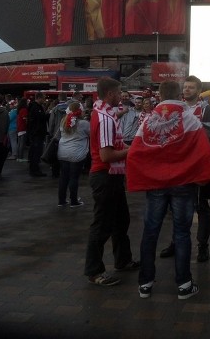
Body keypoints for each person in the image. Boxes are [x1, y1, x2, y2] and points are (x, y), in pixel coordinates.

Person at [127, 80, 210, 299]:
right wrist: (202, 176)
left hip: (157, 184)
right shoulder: (189, 117)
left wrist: (145, 174)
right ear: (178, 94)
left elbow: (135, 151)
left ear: (159, 94)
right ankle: (184, 284)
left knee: (150, 232)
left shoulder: (149, 119)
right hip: (183, 184)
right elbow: (204, 149)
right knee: (182, 233)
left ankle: (145, 284)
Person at [84, 76, 140, 286]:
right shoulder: (106, 118)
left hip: (111, 177)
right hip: (105, 176)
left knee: (121, 220)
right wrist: (133, 150)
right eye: (118, 93)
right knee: (102, 225)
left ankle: (123, 260)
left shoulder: (104, 113)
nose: (121, 97)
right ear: (109, 94)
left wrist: (128, 147)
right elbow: (107, 155)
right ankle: (94, 271)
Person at [159, 75, 210, 262]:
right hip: (178, 165)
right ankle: (176, 243)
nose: (187, 90)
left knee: (201, 208)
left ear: (199, 90)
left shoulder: (206, 109)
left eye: (191, 87)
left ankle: (203, 246)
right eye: (185, 87)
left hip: (197, 166)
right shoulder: (176, 107)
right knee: (177, 208)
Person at [57, 101, 89, 208]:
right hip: (77, 154)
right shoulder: (83, 123)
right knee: (74, 177)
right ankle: (74, 201)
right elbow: (92, 134)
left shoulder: (63, 121)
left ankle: (61, 200)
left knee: (63, 177)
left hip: (62, 152)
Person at [27, 92, 48, 177]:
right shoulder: (35, 107)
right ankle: (35, 170)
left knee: (35, 152)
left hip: (36, 133)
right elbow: (40, 118)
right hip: (37, 133)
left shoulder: (36, 106)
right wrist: (48, 115)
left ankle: (34, 169)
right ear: (39, 98)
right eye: (43, 98)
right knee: (36, 152)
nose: (44, 100)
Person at [48, 92, 68, 178]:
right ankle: (65, 171)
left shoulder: (55, 109)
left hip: (57, 134)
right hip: (67, 134)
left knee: (55, 153)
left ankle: (55, 172)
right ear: (66, 99)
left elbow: (51, 122)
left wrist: (50, 132)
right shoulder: (69, 109)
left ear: (59, 99)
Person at [16, 98, 29, 163]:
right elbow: (25, 119)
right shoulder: (24, 110)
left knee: (19, 144)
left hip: (19, 128)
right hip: (23, 128)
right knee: (22, 144)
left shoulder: (19, 110)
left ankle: (18, 157)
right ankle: (21, 157)